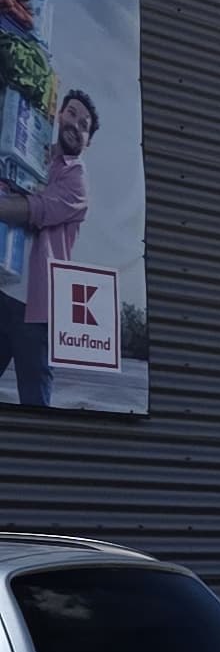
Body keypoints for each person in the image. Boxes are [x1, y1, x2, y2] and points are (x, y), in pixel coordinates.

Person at [0, 87, 99, 413]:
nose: (76, 125)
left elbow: (37, 209)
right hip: (2, 292)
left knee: (36, 407)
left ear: (88, 140)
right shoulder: (33, 151)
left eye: (84, 125)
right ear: (59, 115)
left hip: (35, 310)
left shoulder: (77, 181)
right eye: (72, 114)